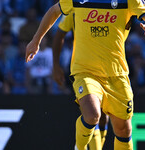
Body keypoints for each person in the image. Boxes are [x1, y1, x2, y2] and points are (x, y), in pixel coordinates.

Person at [25, 0, 145, 149]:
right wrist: (35, 40)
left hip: (116, 74)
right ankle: (79, 147)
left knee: (124, 130)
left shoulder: (129, 1)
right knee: (93, 115)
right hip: (85, 71)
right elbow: (54, 12)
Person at [52, 12, 109, 149]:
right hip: (83, 69)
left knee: (103, 117)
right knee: (92, 112)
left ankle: (82, 146)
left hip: (108, 69)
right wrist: (56, 66)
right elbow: (60, 34)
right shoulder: (75, 6)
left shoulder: (110, 5)